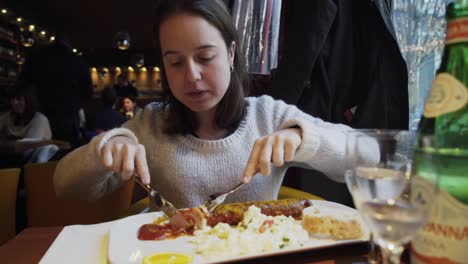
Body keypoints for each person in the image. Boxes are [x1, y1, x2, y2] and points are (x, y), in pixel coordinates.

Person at [54, 0, 371, 209]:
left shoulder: (269, 115)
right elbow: (64, 187)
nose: (191, 75)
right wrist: (108, 147)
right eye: (175, 63)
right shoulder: (149, 125)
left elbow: (369, 154)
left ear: (231, 54)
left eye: (205, 57)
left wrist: (303, 138)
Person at [19, 31, 93, 149]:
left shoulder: (36, 57)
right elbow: (88, 93)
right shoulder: (78, 62)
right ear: (69, 43)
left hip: (40, 116)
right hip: (68, 119)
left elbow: (23, 85)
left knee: (38, 156)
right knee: (67, 157)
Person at [0, 82, 66, 168]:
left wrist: (6, 143)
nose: (14, 102)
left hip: (30, 165)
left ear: (29, 100)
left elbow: (27, 149)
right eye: (12, 99)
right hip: (9, 161)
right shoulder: (9, 116)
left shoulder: (39, 119)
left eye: (19, 99)